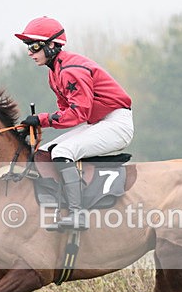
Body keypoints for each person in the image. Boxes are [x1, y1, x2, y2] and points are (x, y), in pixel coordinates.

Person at [15, 16, 134, 231]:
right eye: (28, 47)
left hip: (116, 123)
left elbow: (78, 113)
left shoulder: (71, 69)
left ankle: (77, 214)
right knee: (45, 151)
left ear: (51, 45)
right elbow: (65, 113)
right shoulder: (55, 73)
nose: (30, 53)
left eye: (34, 46)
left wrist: (41, 119)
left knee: (63, 151)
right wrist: (36, 124)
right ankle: (59, 206)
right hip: (98, 122)